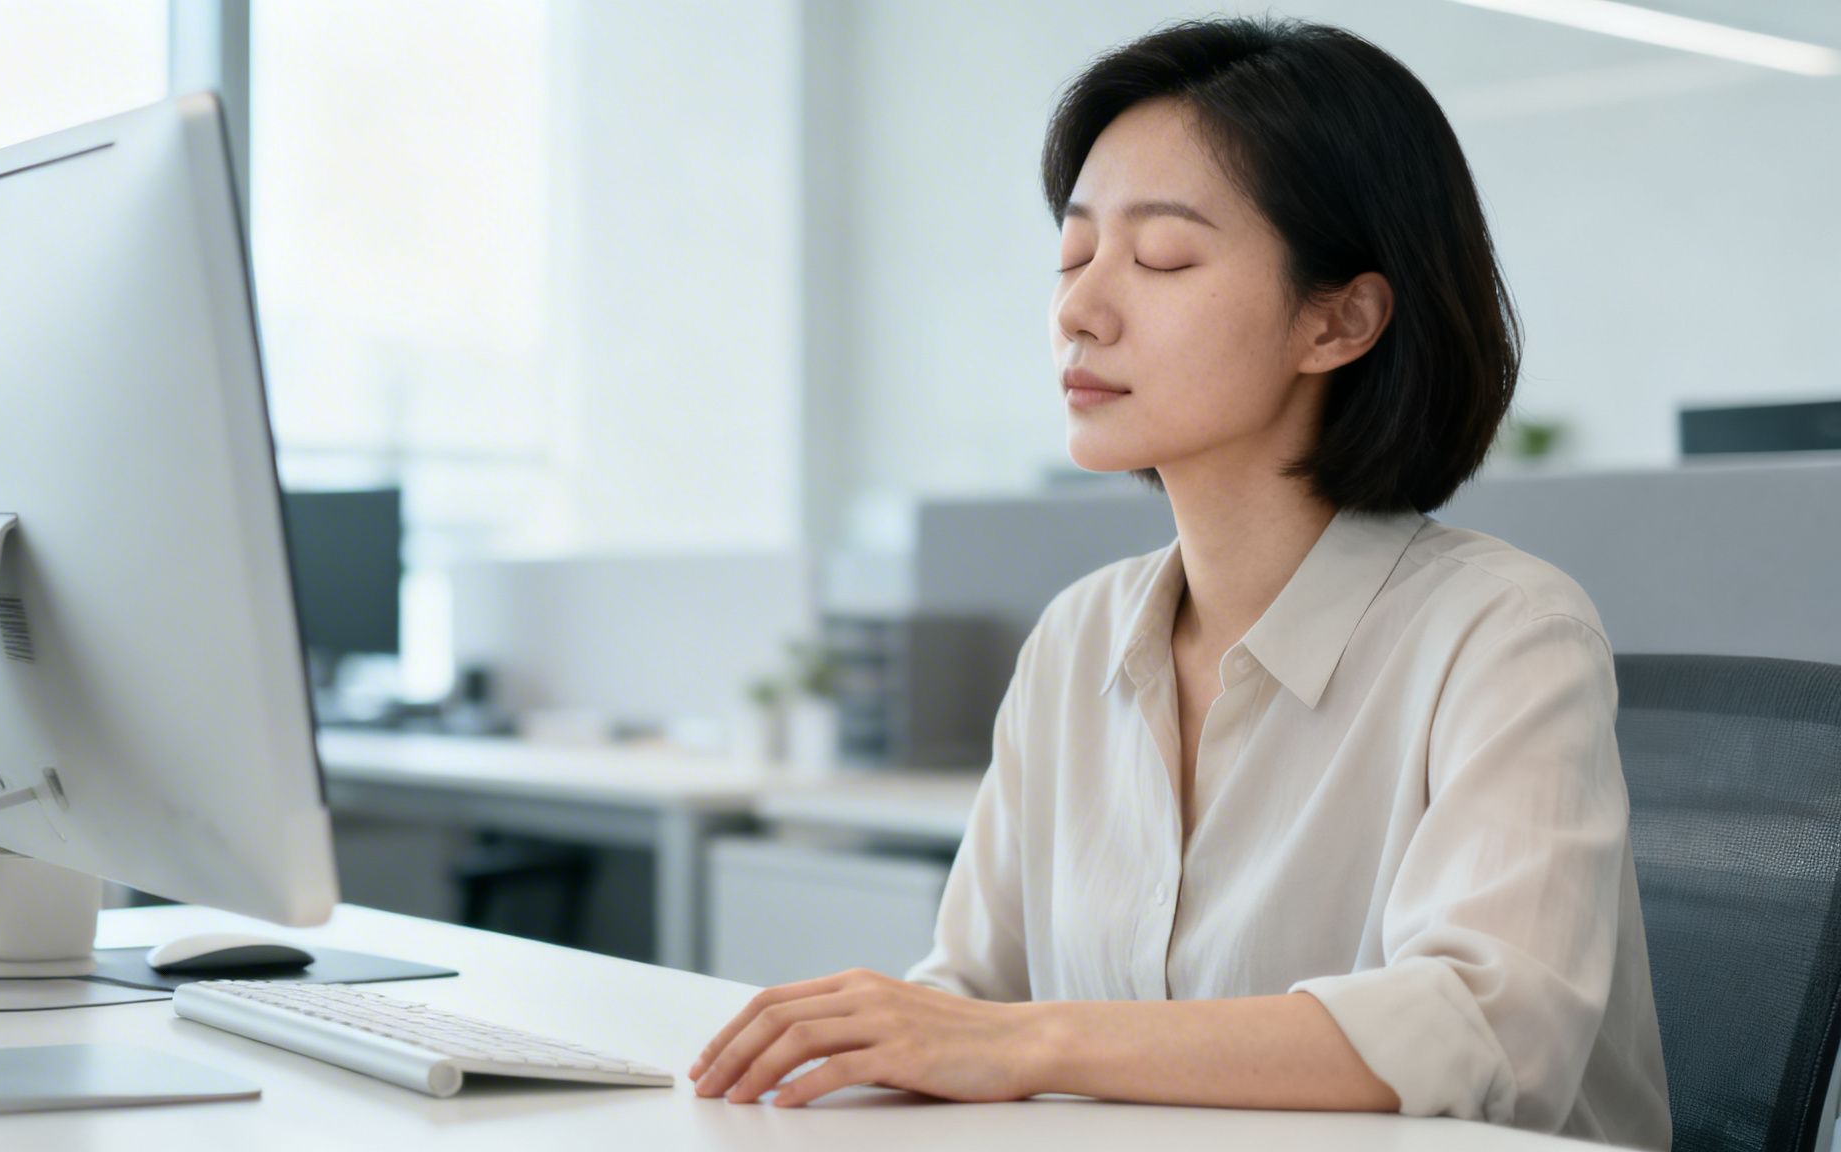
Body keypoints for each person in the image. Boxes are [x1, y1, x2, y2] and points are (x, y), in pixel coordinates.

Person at [687, 16, 1672, 1148]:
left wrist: (1031, 1046)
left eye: (1157, 258)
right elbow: (970, 990)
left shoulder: (1503, 634)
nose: (1077, 309)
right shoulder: (1077, 638)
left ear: (1339, 318)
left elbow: (1483, 1031)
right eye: (1071, 257)